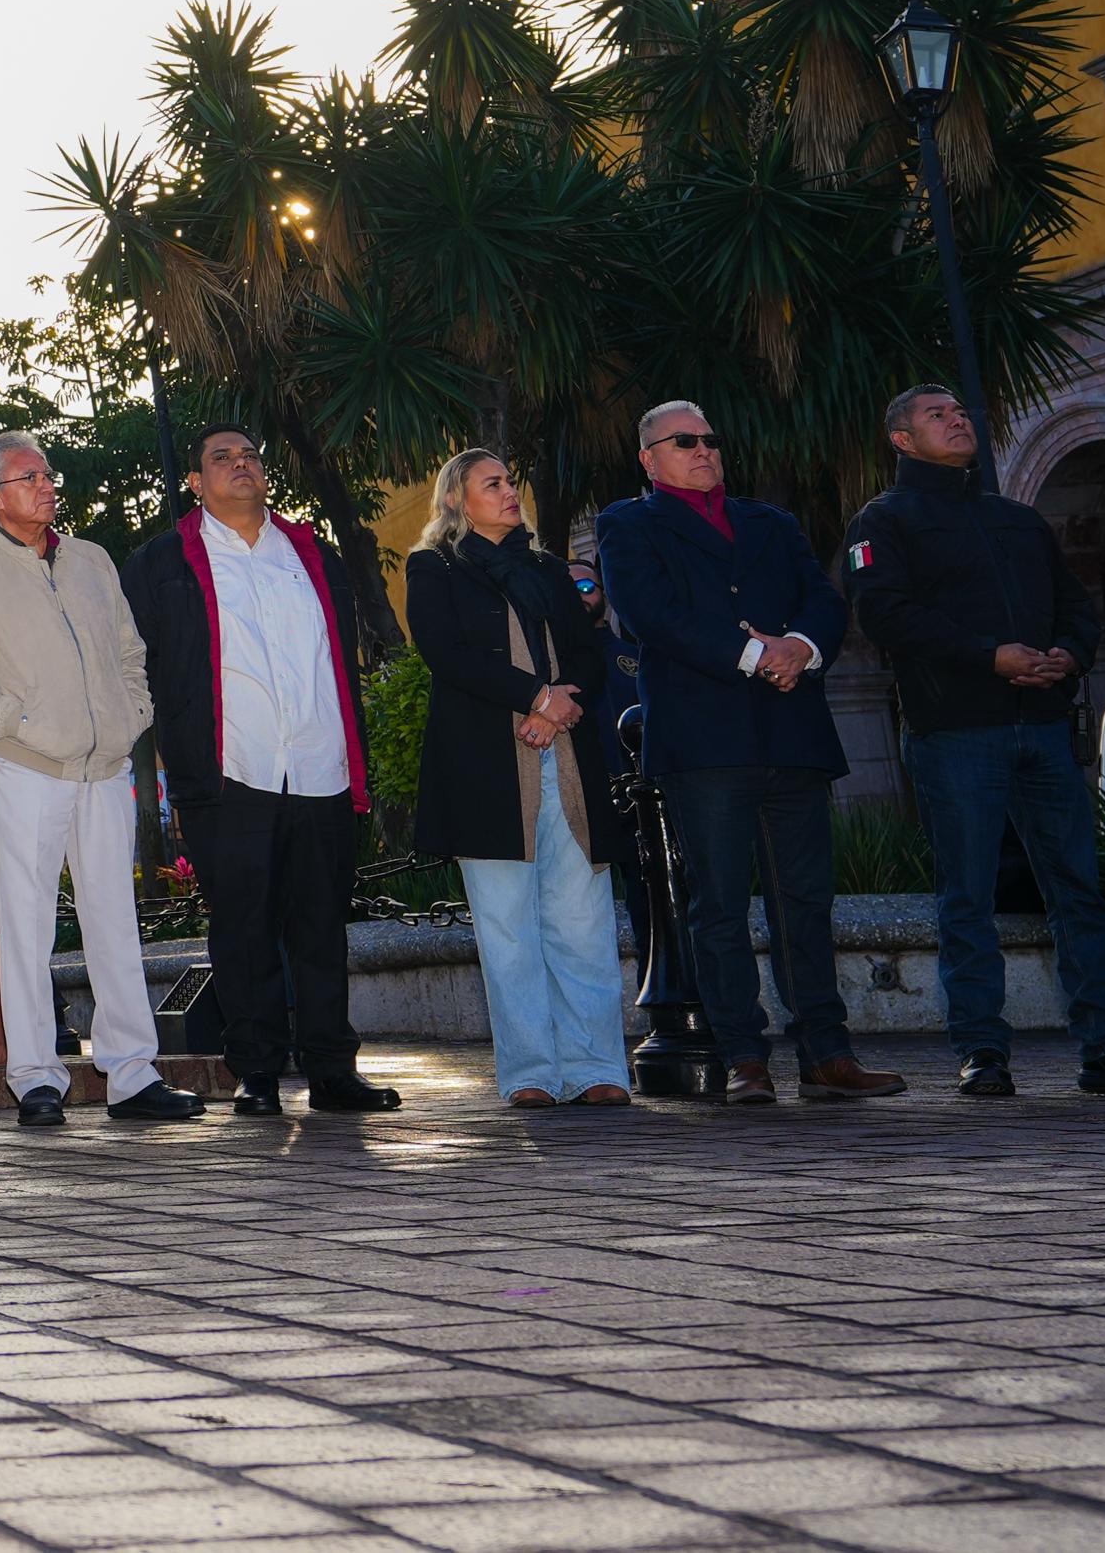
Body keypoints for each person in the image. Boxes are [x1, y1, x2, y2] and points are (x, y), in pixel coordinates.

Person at [846, 384, 1105, 1100]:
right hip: (954, 734)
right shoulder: (883, 521)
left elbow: (1075, 604)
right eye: (937, 414)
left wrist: (1066, 651)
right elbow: (886, 616)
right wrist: (989, 654)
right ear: (902, 440)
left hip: (1041, 727)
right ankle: (982, 1050)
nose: (958, 418)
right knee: (966, 896)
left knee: (1078, 891)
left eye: (959, 408)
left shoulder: (1016, 519)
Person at [596, 400, 905, 1107]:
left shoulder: (772, 522)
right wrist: (752, 653)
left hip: (791, 734)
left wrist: (802, 647)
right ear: (649, 457)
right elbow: (650, 614)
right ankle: (744, 1056)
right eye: (685, 441)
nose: (704, 449)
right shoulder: (627, 524)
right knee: (720, 906)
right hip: (703, 743)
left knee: (806, 901)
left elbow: (823, 601)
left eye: (711, 438)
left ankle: (827, 1053)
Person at [0, 433, 200, 1129]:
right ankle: (35, 1077)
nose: (48, 484)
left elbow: (130, 651)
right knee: (27, 923)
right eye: (29, 476)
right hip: (27, 766)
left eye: (47, 473)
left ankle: (132, 1074)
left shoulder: (91, 559)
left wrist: (130, 714)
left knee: (116, 917)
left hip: (106, 766)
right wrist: (23, 721)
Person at [122, 426, 392, 1119]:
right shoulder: (162, 563)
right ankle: (258, 1070)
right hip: (228, 770)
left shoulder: (312, 554)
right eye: (222, 457)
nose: (241, 465)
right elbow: (140, 665)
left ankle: (334, 1069)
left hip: (318, 763)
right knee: (242, 929)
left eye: (250, 454)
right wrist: (174, 753)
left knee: (321, 924)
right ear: (195, 481)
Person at [405, 450, 632, 1109]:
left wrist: (561, 704)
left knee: (583, 921)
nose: (510, 492)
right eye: (492, 484)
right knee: (507, 924)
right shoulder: (435, 567)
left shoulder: (548, 569)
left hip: (568, 757)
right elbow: (447, 654)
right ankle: (530, 1073)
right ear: (456, 500)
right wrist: (537, 696)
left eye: (510, 481)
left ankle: (596, 1068)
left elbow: (589, 653)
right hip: (488, 764)